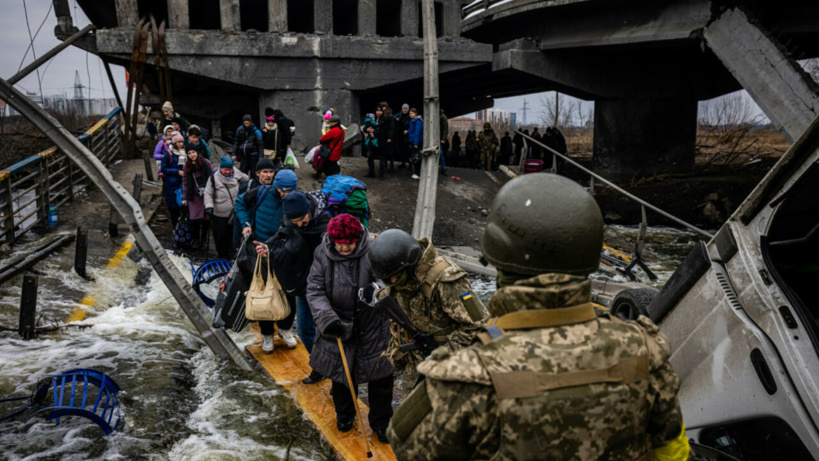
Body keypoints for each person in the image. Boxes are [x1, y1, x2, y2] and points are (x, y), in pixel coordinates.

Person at [387, 174, 691, 461]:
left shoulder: (469, 376)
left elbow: (406, 446)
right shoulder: (644, 352)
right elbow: (674, 451)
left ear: (497, 256)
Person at [366, 229, 490, 394]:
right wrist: (377, 295)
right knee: (410, 416)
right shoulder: (407, 275)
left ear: (408, 264)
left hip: (449, 367)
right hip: (416, 365)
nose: (392, 281)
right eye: (388, 279)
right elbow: (404, 292)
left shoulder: (446, 281)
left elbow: (480, 325)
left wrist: (443, 354)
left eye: (395, 276)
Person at [306, 214, 394, 443]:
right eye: (340, 244)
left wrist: (374, 291)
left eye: (349, 243)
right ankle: (345, 415)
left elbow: (387, 280)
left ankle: (382, 423)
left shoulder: (374, 249)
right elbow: (315, 290)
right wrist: (327, 318)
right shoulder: (322, 253)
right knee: (342, 374)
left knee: (381, 377)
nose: (344, 248)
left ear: (358, 238)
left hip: (372, 324)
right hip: (338, 324)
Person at [254, 191, 331, 384]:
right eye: (293, 220)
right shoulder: (290, 219)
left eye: (302, 220)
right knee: (305, 330)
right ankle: (319, 367)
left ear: (309, 211)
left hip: (325, 286)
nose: (298, 224)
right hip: (303, 283)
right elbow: (283, 236)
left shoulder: (325, 223)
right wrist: (268, 248)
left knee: (328, 331)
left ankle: (336, 373)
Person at [235, 167, 299, 352]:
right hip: (260, 251)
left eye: (289, 191)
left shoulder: (297, 200)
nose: (285, 194)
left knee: (288, 292)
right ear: (276, 187)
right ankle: (267, 334)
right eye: (282, 190)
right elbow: (239, 203)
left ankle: (285, 329)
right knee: (263, 292)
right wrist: (246, 224)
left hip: (284, 252)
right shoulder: (261, 192)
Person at [204, 156, 249, 259]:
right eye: (226, 169)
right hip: (219, 214)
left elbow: (246, 180)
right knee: (220, 236)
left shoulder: (237, 174)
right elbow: (208, 194)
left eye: (230, 169)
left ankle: (231, 255)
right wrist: (209, 206)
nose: (228, 171)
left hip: (234, 213)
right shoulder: (213, 178)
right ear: (221, 168)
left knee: (232, 235)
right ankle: (222, 256)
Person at [182, 146, 213, 249]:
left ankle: (203, 240)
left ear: (197, 152)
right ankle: (195, 239)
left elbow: (212, 177)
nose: (192, 155)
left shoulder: (206, 163)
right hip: (194, 194)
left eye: (193, 152)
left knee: (205, 219)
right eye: (189, 153)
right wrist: (184, 197)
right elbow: (185, 182)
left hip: (206, 193)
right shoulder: (187, 166)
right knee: (194, 218)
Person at [160, 132, 187, 227]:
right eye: (179, 142)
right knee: (173, 209)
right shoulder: (169, 153)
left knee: (183, 207)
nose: (181, 144)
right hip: (171, 185)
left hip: (182, 183)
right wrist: (177, 172)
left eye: (182, 142)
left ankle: (182, 228)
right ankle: (175, 227)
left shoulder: (184, 152)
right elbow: (164, 169)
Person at [370, 106, 394, 180]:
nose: (378, 112)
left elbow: (383, 129)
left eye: (380, 111)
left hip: (382, 140)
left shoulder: (384, 119)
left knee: (382, 158)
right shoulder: (376, 118)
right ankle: (372, 173)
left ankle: (382, 174)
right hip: (375, 140)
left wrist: (374, 133)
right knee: (372, 157)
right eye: (377, 111)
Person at [407, 108, 423, 180]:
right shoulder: (413, 121)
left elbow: (417, 133)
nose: (410, 115)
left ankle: (418, 173)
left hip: (417, 142)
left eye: (412, 113)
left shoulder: (418, 122)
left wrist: (416, 143)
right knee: (415, 157)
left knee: (417, 158)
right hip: (413, 141)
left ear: (416, 113)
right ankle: (416, 172)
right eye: (410, 113)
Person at [395, 104, 412, 170]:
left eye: (406, 109)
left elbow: (411, 125)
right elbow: (393, 116)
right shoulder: (399, 114)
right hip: (400, 135)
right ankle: (403, 163)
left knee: (408, 150)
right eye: (403, 109)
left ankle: (410, 165)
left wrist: (407, 131)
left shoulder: (410, 116)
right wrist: (396, 119)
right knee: (401, 150)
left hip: (407, 135)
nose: (404, 110)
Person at [439, 108, 448, 176]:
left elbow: (445, 129)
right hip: (436, 138)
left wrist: (443, 139)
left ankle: (443, 168)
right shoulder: (438, 116)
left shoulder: (442, 117)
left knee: (440, 153)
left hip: (440, 138)